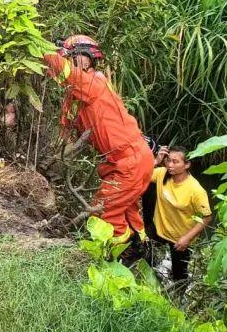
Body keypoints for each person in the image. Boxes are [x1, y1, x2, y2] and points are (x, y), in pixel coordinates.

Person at [42, 36, 154, 244]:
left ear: (86, 60)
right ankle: (140, 249)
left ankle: (119, 256)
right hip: (123, 161)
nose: (67, 61)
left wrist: (38, 46)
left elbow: (64, 71)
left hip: (130, 160)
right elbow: (66, 129)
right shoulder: (76, 95)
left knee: (105, 214)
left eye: (70, 57)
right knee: (126, 211)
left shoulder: (93, 83)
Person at [151, 146, 212, 282]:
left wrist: (187, 238)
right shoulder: (161, 174)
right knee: (145, 254)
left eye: (175, 162)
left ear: (187, 165)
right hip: (158, 229)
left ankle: (177, 299)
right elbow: (139, 174)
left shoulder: (195, 190)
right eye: (167, 161)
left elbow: (207, 217)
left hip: (180, 239)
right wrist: (156, 161)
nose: (170, 165)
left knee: (180, 276)